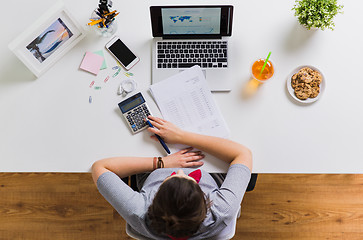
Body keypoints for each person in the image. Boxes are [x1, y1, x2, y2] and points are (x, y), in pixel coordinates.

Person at [92, 115, 252, 239]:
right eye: (188, 179)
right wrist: (181, 136)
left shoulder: (138, 211)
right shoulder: (221, 209)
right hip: (208, 170)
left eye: (172, 177)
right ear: (205, 202)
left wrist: (162, 163)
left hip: (157, 165)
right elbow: (243, 153)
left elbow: (100, 167)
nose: (181, 171)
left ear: (154, 201)